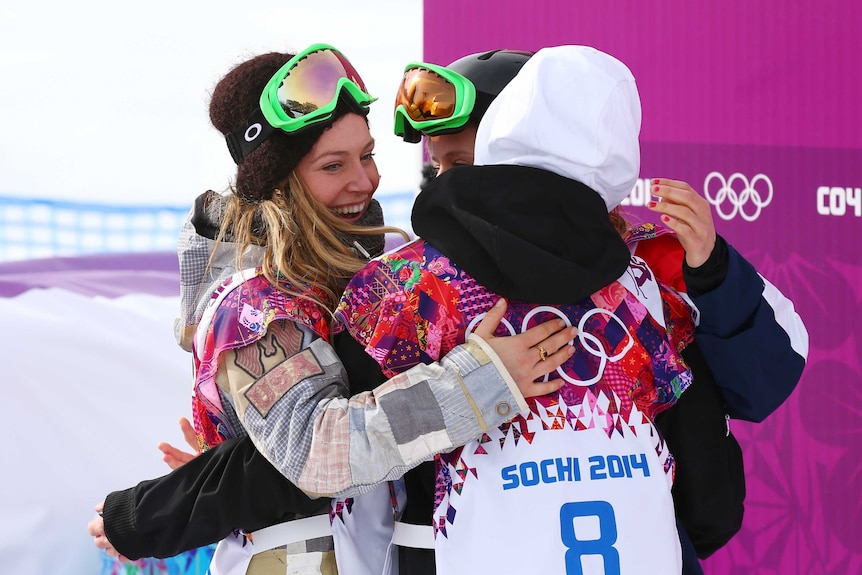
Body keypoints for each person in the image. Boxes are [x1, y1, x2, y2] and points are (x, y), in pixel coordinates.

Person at [89, 46, 808, 574]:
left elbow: (756, 386)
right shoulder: (410, 283)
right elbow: (311, 450)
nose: (372, 180)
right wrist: (188, 488)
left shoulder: (640, 254)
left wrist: (714, 271)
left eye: (456, 165)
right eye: (431, 168)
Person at [88, 42, 579, 575]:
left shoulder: (361, 278)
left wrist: (205, 488)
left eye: (367, 155)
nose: (363, 181)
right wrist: (482, 381)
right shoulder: (256, 305)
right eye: (332, 164)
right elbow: (319, 451)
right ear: (278, 182)